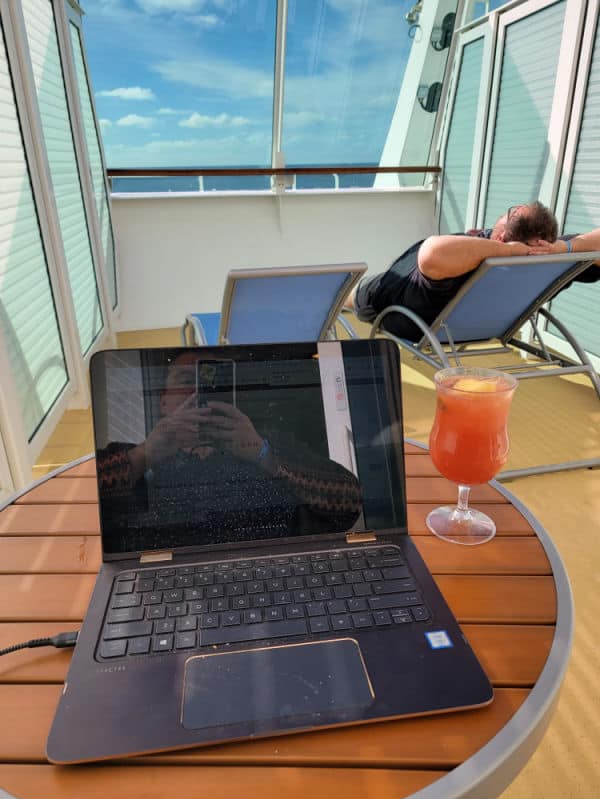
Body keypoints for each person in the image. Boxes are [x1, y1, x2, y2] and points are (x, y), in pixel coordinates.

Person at [97, 350, 362, 550]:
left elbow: (349, 502)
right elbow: (97, 501)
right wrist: (146, 454)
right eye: (186, 379)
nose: (196, 390)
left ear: (230, 394)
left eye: (212, 382)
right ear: (164, 402)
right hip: (175, 577)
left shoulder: (270, 443)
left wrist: (264, 456)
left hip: (273, 565)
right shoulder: (141, 458)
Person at [347, 202, 600, 341]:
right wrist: (565, 247)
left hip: (403, 312)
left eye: (509, 211)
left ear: (500, 236)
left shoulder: (468, 262)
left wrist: (510, 251)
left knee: (350, 294)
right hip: (479, 325)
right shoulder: (550, 260)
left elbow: (431, 252)